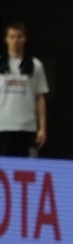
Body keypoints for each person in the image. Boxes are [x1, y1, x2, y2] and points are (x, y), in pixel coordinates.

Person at [0, 22, 47, 157]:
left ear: (24, 39)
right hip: (3, 125)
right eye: (12, 37)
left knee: (25, 164)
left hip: (26, 126)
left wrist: (42, 128)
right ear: (6, 39)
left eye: (19, 37)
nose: (15, 40)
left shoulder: (35, 65)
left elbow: (40, 97)